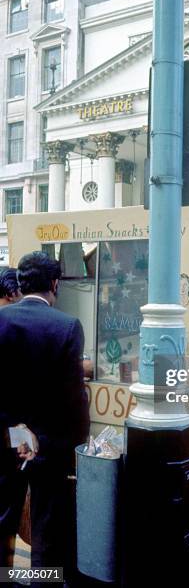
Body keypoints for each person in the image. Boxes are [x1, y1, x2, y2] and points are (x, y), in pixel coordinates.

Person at [0, 251, 90, 586]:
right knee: (47, 533)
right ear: (55, 284)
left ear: (21, 284)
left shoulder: (1, 320)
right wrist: (74, 444)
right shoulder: (66, 327)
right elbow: (74, 400)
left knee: (2, 522)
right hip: (49, 448)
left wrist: (13, 429)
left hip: (5, 442)